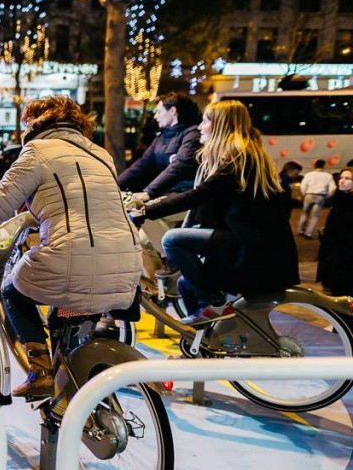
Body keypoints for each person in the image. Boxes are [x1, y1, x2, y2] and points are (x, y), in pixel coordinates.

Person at [0, 96, 141, 400]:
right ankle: (67, 392)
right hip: (126, 265)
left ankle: (40, 373)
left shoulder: (38, 151)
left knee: (12, 290)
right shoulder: (100, 154)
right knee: (65, 312)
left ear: (35, 122)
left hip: (75, 259)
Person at [134, 100, 299, 325]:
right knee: (184, 284)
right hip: (248, 240)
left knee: (172, 240)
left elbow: (198, 195)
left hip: (249, 245)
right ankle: (210, 337)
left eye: (206, 121)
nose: (200, 127)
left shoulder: (238, 158)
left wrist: (145, 211)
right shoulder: (242, 154)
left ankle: (215, 305)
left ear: (221, 125)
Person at [117, 92, 203, 278]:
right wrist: (113, 185)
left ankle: (173, 258)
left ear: (173, 111)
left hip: (187, 196)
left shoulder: (192, 135)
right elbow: (140, 165)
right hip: (169, 194)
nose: (155, 116)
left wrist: (148, 192)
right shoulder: (163, 137)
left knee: (144, 211)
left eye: (158, 111)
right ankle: (158, 286)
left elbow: (178, 168)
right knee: (140, 240)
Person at [316, 168, 353, 295]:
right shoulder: (338, 199)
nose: (342, 181)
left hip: (348, 250)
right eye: (341, 178)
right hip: (334, 249)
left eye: (347, 179)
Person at [297, 159, 336, 238]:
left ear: (315, 165)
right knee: (314, 216)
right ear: (324, 166)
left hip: (309, 195)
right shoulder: (328, 175)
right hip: (320, 196)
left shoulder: (308, 174)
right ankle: (309, 233)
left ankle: (300, 230)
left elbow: (303, 186)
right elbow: (333, 188)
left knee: (305, 213)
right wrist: (327, 196)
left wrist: (304, 193)